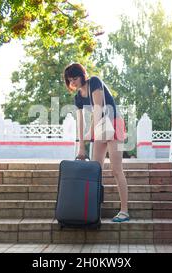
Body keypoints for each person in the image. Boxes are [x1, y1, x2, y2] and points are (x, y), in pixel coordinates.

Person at [63, 63, 130, 222]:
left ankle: (125, 211)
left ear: (82, 75)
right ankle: (92, 208)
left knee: (116, 169)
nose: (73, 82)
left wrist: (90, 134)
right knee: (95, 170)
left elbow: (98, 109)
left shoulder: (94, 81)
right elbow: (80, 121)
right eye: (70, 80)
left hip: (114, 123)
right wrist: (81, 147)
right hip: (100, 127)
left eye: (75, 78)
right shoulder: (78, 97)